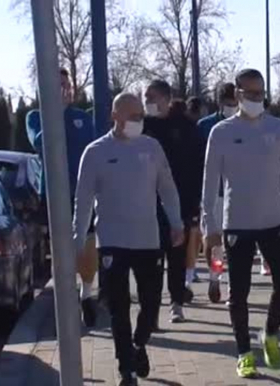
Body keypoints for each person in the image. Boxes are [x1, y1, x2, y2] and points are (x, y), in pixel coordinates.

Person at [73, 93, 185, 386]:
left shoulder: (152, 148)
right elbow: (83, 201)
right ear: (115, 116)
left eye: (140, 116)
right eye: (132, 116)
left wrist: (176, 222)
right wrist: (77, 240)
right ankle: (127, 370)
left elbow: (168, 188)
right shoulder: (95, 152)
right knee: (118, 308)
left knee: (150, 305)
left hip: (148, 239)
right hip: (111, 241)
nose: (138, 121)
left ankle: (139, 343)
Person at [202, 69, 280, 378]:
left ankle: (270, 334)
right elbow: (209, 183)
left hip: (274, 221)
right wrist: (210, 227)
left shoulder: (279, 128)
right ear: (237, 94)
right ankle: (244, 352)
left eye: (261, 93)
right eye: (251, 94)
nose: (257, 99)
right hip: (237, 223)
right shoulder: (222, 132)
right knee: (238, 292)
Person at [26, 68, 99, 328]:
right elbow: (40, 142)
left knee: (88, 245)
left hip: (83, 193)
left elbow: (94, 150)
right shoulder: (36, 117)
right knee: (61, 250)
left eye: (66, 84)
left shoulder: (82, 118)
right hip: (56, 195)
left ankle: (87, 294)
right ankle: (65, 302)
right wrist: (54, 111)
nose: (64, 89)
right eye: (57, 85)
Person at [143, 80, 205, 324]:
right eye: (145, 96)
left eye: (153, 97)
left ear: (167, 99)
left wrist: (192, 207)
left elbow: (197, 167)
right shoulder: (142, 126)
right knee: (151, 262)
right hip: (147, 205)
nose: (148, 101)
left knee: (177, 256)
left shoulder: (186, 128)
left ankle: (177, 301)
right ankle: (152, 310)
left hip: (179, 204)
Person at [197, 83, 238, 303]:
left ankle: (234, 285)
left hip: (237, 191)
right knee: (214, 241)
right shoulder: (205, 126)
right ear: (221, 103)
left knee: (235, 241)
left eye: (235, 103)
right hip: (213, 192)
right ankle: (215, 277)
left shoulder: (243, 124)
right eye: (229, 104)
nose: (233, 107)